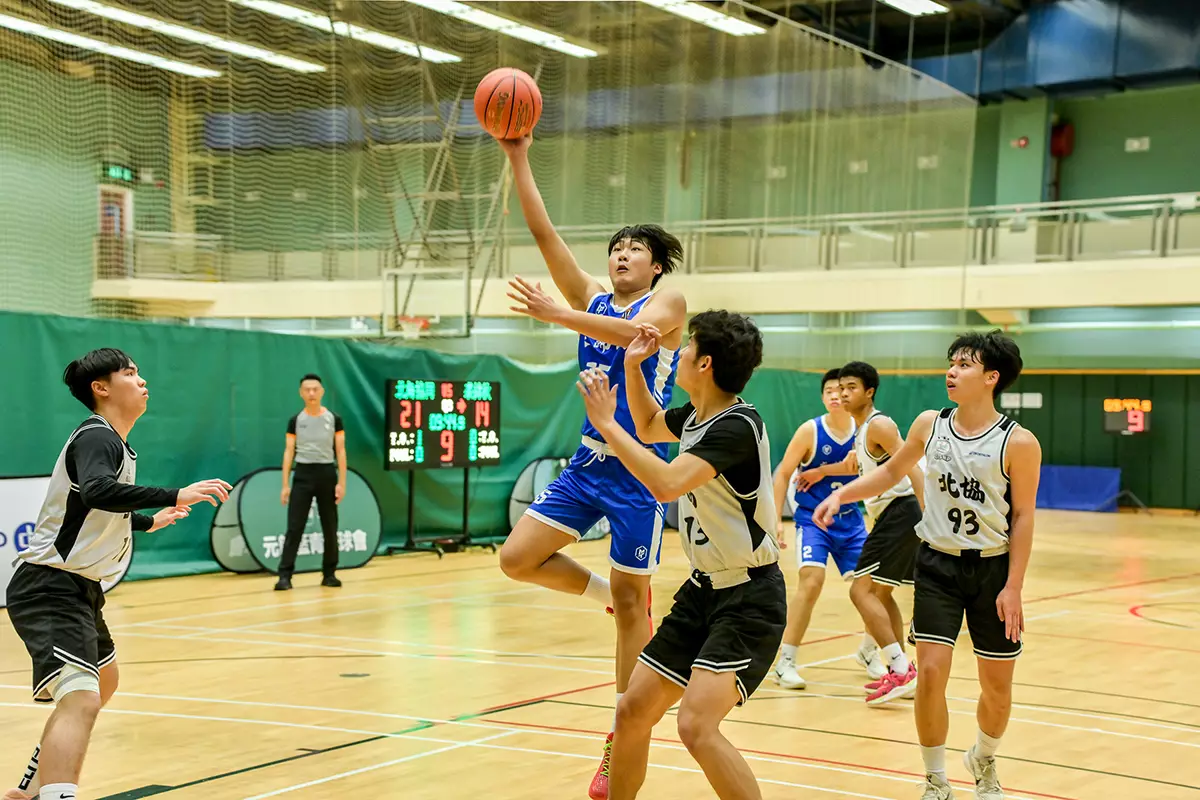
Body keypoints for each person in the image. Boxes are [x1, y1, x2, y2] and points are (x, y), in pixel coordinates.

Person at [494, 134, 688, 798]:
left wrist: (558, 313)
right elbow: (545, 234)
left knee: (637, 603)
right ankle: (603, 593)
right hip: (586, 463)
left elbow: (637, 337)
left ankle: (619, 737)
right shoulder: (591, 298)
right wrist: (517, 155)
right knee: (516, 558)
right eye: (615, 247)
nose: (621, 254)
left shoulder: (667, 305)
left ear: (656, 267)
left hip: (639, 470)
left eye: (634, 249)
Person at [815, 331, 1039, 800]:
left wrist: (1014, 586)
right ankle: (936, 779)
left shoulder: (1018, 442)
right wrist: (841, 494)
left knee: (997, 688)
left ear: (991, 377)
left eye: (964, 364)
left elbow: (1022, 516)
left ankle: (983, 758)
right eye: (951, 362)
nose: (951, 371)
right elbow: (890, 471)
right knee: (932, 672)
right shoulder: (928, 424)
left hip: (993, 571)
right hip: (937, 564)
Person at [576, 311, 785, 800]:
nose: (683, 353)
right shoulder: (695, 417)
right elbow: (649, 425)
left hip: (749, 599)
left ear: (705, 363)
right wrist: (633, 368)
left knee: (695, 725)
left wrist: (605, 425)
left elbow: (666, 483)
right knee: (631, 711)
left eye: (688, 347)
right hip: (701, 593)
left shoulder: (737, 426)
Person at [4, 348, 229, 800]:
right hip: (48, 585)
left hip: (81, 587)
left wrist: (148, 521)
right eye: (130, 373)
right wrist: (175, 493)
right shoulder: (97, 436)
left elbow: (92, 507)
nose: (142, 380)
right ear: (101, 388)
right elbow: (98, 492)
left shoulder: (113, 442)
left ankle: (29, 789)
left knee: (103, 682)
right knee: (81, 697)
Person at [770, 369, 883, 691]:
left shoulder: (864, 430)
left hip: (851, 520)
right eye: (830, 390)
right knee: (811, 582)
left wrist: (825, 470)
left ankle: (869, 651)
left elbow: (870, 469)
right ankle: (786, 661)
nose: (836, 395)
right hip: (813, 520)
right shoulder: (810, 431)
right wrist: (776, 520)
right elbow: (783, 474)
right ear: (822, 397)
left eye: (842, 389)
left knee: (874, 588)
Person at [837, 361, 925, 706]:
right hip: (892, 514)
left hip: (901, 510)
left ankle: (901, 668)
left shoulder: (879, 424)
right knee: (882, 594)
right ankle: (901, 671)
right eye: (841, 387)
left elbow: (911, 464)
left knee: (860, 592)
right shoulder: (861, 432)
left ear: (869, 391)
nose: (844, 393)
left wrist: (929, 515)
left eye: (852, 387)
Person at [276, 373, 347, 591]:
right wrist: (285, 484)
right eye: (307, 390)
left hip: (327, 473)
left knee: (330, 526)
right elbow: (289, 451)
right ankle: (285, 576)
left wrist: (341, 482)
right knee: (295, 526)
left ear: (322, 391)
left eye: (315, 389)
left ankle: (329, 574)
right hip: (303, 474)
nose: (311, 393)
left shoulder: (334, 419)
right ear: (301, 393)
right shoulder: (295, 421)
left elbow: (341, 451)